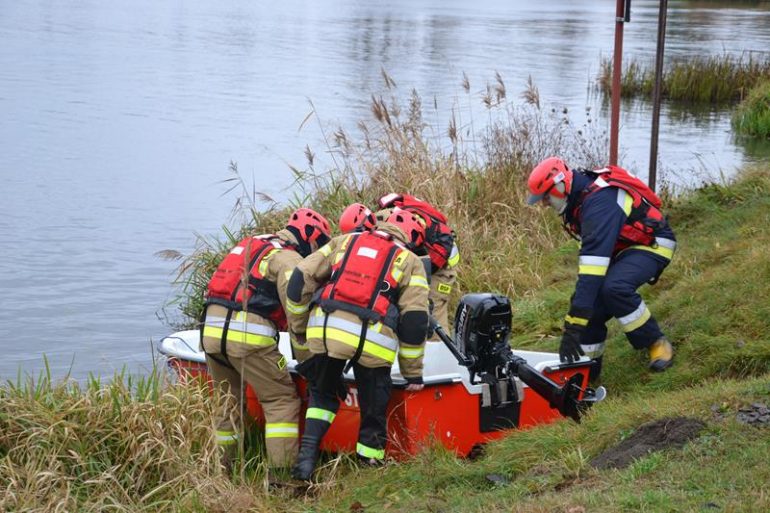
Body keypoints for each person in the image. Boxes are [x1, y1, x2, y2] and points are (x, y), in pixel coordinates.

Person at [286, 209, 430, 481]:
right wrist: (412, 373)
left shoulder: (346, 241)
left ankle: (306, 461)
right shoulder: (410, 261)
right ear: (411, 237)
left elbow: (298, 279)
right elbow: (415, 319)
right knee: (373, 405)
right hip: (371, 341)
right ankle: (369, 468)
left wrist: (300, 328)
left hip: (325, 331)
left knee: (322, 394)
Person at [200, 207, 331, 473]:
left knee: (227, 400)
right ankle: (282, 476)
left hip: (210, 334)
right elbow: (297, 313)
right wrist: (310, 362)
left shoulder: (250, 244)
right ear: (312, 238)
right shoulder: (289, 259)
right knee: (281, 400)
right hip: (248, 338)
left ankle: (223, 470)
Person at [526, 157, 676, 381]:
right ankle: (586, 374)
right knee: (591, 307)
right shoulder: (577, 201)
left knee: (613, 288)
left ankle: (656, 342)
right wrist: (578, 317)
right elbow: (590, 267)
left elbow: (593, 270)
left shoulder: (599, 203)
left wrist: (573, 326)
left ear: (560, 184)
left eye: (546, 197)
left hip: (651, 244)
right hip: (620, 250)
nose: (545, 204)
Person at [375, 193, 459, 337]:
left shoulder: (387, 221)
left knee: (431, 313)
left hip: (441, 267)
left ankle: (440, 353)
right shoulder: (399, 209)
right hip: (433, 254)